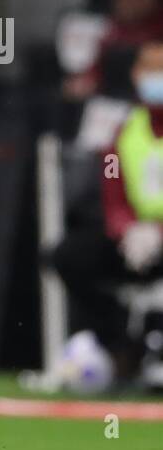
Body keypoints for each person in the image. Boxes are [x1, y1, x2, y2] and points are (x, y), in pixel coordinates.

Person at [52, 40, 163, 384]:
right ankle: (119, 341)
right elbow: (112, 189)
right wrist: (126, 229)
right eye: (149, 69)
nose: (156, 78)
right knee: (71, 255)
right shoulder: (123, 133)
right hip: (136, 239)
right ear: (135, 75)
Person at [64, 0, 163, 100]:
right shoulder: (112, 32)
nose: (128, 1)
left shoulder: (157, 31)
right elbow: (94, 74)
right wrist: (85, 83)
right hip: (117, 108)